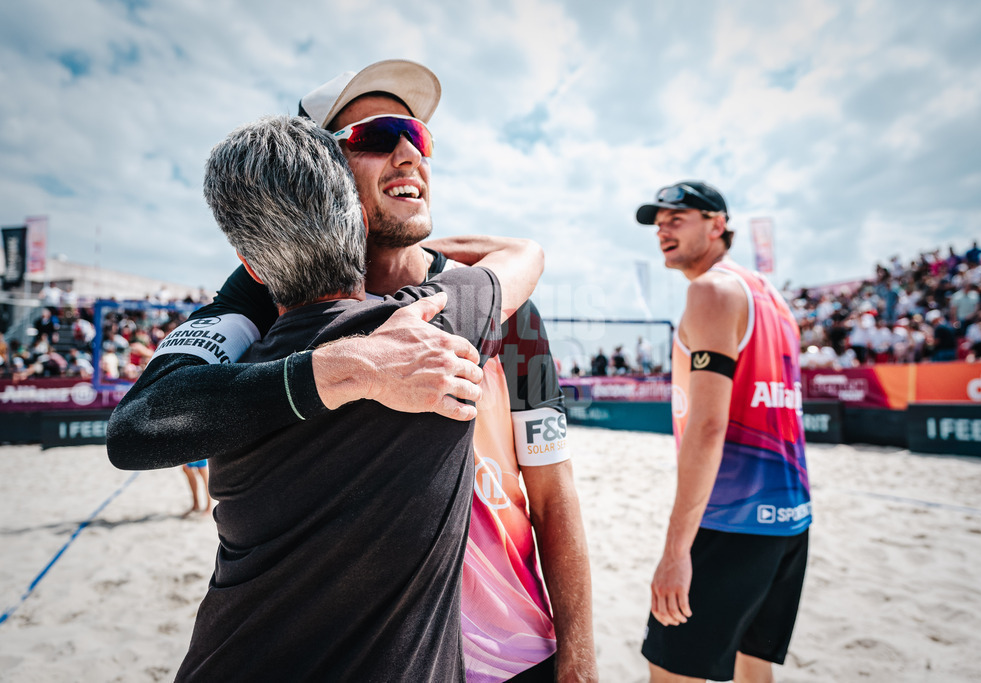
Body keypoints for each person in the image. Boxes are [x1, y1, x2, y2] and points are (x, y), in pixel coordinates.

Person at [107, 60, 594, 682]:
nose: (406, 152)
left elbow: (553, 491)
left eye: (418, 137)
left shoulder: (510, 313)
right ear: (323, 174)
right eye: (374, 135)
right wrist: (345, 365)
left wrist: (578, 656)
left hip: (513, 653)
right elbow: (144, 421)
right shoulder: (258, 299)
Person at [635, 181, 812, 683]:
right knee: (753, 667)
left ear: (718, 225)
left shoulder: (711, 290)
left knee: (671, 671)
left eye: (677, 218)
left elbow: (710, 427)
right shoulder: (774, 300)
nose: (663, 229)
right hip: (791, 519)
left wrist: (675, 552)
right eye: (659, 222)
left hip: (731, 520)